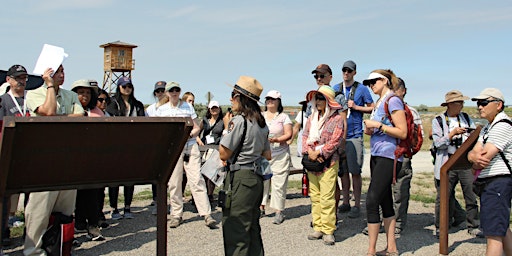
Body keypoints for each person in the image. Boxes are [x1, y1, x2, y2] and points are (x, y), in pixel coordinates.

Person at [24, 65, 85, 256]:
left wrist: (57, 118)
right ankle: (33, 251)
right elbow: (48, 111)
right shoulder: (34, 94)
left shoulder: (70, 96)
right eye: (57, 72)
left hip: (67, 157)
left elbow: (80, 116)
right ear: (47, 75)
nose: (62, 75)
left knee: (65, 210)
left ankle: (59, 247)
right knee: (40, 210)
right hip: (44, 159)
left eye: (63, 71)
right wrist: (50, 87)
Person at [219, 75, 271, 255]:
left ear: (242, 98)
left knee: (236, 230)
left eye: (233, 95)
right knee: (252, 228)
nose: (231, 99)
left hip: (240, 178)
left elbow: (223, 153)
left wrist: (227, 128)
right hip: (255, 178)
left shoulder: (239, 121)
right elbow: (267, 154)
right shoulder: (262, 123)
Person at [155, 81, 217, 229]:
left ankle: (206, 214)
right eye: (171, 90)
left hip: (190, 147)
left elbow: (196, 127)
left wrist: (190, 134)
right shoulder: (161, 110)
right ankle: (176, 214)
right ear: (167, 93)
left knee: (196, 180)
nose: (174, 92)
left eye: (177, 90)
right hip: (173, 149)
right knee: (174, 182)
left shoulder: (187, 107)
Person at [362, 69, 405, 256]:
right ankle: (392, 248)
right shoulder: (379, 103)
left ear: (384, 81)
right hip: (378, 155)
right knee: (385, 200)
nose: (371, 85)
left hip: (390, 156)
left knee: (372, 200)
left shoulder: (393, 100)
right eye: (369, 83)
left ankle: (371, 251)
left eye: (374, 82)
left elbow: (402, 132)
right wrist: (372, 129)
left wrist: (378, 125)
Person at [468, 88, 512, 256]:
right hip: (491, 183)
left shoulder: (502, 126)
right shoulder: (488, 128)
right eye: (478, 103)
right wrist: (473, 158)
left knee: (493, 235)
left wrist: (474, 160)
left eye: (484, 102)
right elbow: (473, 154)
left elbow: (483, 157)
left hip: (497, 182)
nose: (480, 107)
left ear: (499, 105)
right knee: (501, 228)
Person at [432, 90, 482, 238]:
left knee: (470, 194)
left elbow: (474, 137)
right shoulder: (439, 120)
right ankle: (442, 227)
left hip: (465, 162)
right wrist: (451, 134)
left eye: (462, 102)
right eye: (459, 102)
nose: (462, 105)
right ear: (450, 104)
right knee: (444, 197)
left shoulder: (466, 117)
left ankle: (474, 224)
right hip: (447, 162)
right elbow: (437, 143)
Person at [302, 85, 344, 246]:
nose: (317, 101)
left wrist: (320, 153)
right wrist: (310, 152)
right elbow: (305, 136)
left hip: (329, 162)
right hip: (312, 162)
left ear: (328, 101)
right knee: (315, 196)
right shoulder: (312, 118)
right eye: (316, 98)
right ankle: (318, 226)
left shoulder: (337, 119)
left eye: (321, 98)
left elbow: (336, 140)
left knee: (327, 196)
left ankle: (328, 230)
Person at [332, 60, 374, 219]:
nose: (346, 73)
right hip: (339, 136)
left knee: (355, 171)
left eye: (349, 71)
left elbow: (372, 107)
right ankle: (345, 202)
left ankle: (357, 204)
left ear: (354, 72)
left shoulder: (362, 89)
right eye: (344, 70)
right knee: (343, 171)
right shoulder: (336, 89)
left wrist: (356, 107)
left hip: (355, 134)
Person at [311, 64, 347, 222]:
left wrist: (340, 145)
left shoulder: (338, 96)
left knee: (332, 185)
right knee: (317, 190)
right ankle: (320, 219)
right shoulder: (313, 97)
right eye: (316, 76)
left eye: (322, 76)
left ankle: (333, 216)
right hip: (314, 149)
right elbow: (308, 124)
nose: (319, 79)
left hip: (331, 149)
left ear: (330, 77)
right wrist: (310, 151)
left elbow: (342, 122)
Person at [105, 76, 145, 220]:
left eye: (129, 86)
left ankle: (127, 206)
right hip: (115, 146)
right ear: (119, 88)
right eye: (124, 86)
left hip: (132, 146)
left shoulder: (138, 104)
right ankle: (114, 207)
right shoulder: (112, 103)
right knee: (114, 179)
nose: (127, 89)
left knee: (130, 178)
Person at [70, 79, 105, 241]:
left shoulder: (97, 112)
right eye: (81, 92)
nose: (84, 95)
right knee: (72, 196)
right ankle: (74, 227)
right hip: (72, 157)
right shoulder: (68, 108)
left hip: (92, 158)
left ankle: (93, 225)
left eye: (88, 92)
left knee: (92, 194)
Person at [0, 64, 30, 246]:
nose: (21, 81)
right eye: (18, 77)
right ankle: (4, 231)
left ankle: (30, 231)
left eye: (24, 77)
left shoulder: (32, 98)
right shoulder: (3, 101)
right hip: (9, 154)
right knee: (5, 195)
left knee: (30, 196)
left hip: (29, 154)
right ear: (8, 80)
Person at [391, 78, 422, 235]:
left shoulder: (411, 111)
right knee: (382, 190)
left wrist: (408, 153)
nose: (393, 92)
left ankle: (399, 222)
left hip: (402, 156)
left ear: (403, 91)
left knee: (400, 190)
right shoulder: (384, 108)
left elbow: (416, 138)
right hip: (386, 155)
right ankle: (386, 221)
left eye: (396, 89)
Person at [260, 90, 292, 224]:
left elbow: (288, 134)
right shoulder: (260, 116)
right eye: (268, 99)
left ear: (278, 101)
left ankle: (279, 211)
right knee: (262, 182)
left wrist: (277, 139)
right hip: (263, 155)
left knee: (279, 183)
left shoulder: (284, 117)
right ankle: (261, 207)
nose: (269, 101)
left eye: (273, 99)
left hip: (280, 154)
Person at [197, 100, 224, 203]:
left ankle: (210, 194)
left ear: (219, 108)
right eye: (212, 108)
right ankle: (202, 194)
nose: (214, 110)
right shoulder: (205, 120)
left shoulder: (222, 121)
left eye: (216, 108)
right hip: (205, 148)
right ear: (209, 109)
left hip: (216, 148)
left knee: (212, 173)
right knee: (203, 172)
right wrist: (199, 140)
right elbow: (197, 132)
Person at [146, 81, 167, 212]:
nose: (160, 93)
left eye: (162, 90)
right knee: (157, 175)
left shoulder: (172, 107)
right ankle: (157, 200)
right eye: (158, 91)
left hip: (168, 144)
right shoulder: (150, 109)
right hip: (155, 145)